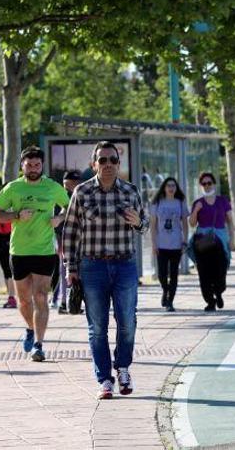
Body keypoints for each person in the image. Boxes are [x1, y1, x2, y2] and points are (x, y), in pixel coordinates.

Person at [62, 141, 148, 399]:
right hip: (92, 266)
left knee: (127, 322)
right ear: (94, 164)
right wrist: (71, 268)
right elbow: (70, 231)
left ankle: (123, 368)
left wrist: (138, 222)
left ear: (118, 164)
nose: (108, 164)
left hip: (124, 265)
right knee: (97, 326)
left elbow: (144, 226)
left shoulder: (130, 191)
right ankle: (104, 380)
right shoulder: (82, 192)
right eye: (103, 160)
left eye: (112, 160)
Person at [0, 146, 70, 362]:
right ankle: (29, 327)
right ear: (22, 165)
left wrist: (59, 219)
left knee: (41, 297)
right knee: (24, 300)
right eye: (29, 165)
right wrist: (16, 215)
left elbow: (70, 207)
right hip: (19, 251)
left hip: (44, 251)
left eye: (37, 165)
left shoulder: (52, 187)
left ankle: (39, 344)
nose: (34, 168)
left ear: (42, 165)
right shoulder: (13, 188)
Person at [187, 172, 234, 313]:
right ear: (201, 185)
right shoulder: (198, 202)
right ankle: (210, 301)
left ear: (214, 184)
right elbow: (192, 223)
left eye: (209, 183)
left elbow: (230, 221)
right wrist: (196, 210)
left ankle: (219, 292)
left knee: (221, 268)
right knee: (204, 272)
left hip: (219, 238)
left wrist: (232, 238)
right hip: (203, 240)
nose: (207, 186)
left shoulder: (223, 201)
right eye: (204, 183)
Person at [150, 177, 189, 312]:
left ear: (176, 187)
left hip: (176, 244)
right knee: (161, 274)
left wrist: (185, 240)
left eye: (173, 185)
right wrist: (154, 244)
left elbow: (184, 223)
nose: (171, 188)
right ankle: (165, 291)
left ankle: (170, 301)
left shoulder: (180, 202)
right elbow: (153, 225)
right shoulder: (157, 202)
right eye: (168, 186)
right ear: (164, 188)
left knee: (173, 274)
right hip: (161, 245)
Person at [51, 171, 82, 314]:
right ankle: (65, 302)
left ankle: (64, 301)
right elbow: (61, 214)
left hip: (65, 237)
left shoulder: (64, 194)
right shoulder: (67, 195)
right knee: (67, 270)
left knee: (65, 270)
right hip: (64, 237)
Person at [0, 215, 17, 308]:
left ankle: (12, 297)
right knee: (5, 270)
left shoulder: (12, 208)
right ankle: (10, 296)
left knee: (9, 269)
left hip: (11, 237)